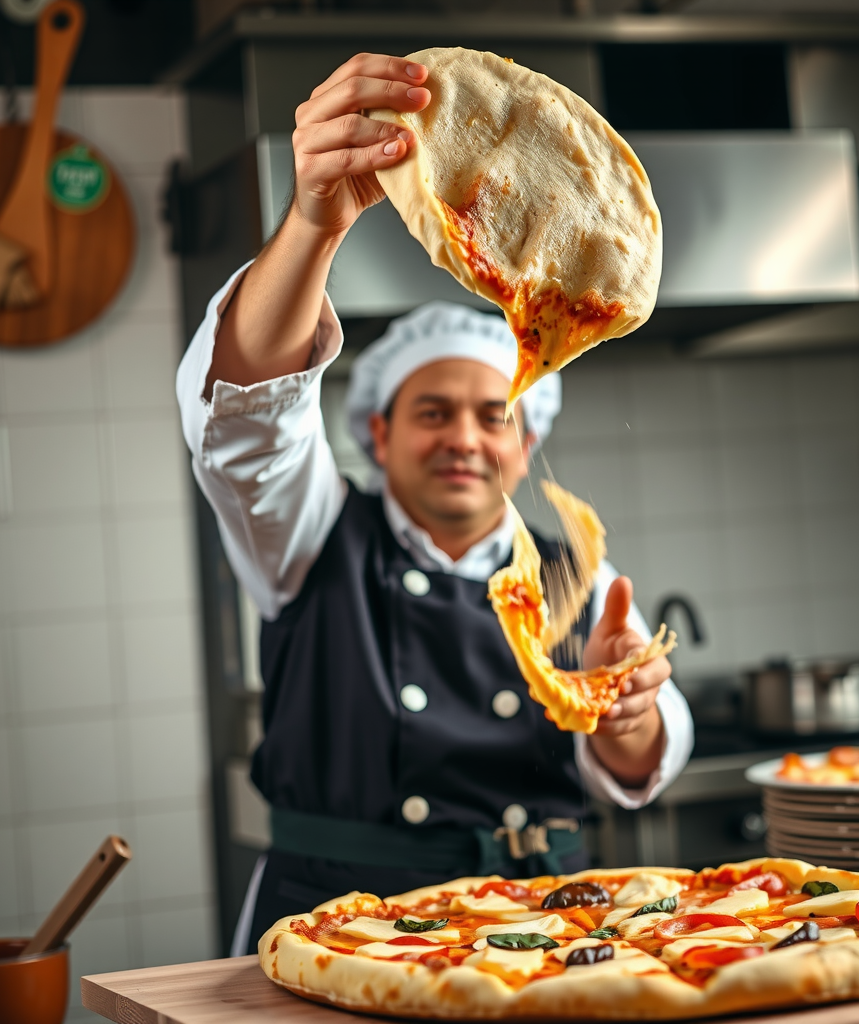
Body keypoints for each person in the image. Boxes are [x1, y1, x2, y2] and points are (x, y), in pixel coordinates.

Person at [177, 52, 693, 956]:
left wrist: (628, 711)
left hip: (542, 929)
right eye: (431, 413)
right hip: (339, 927)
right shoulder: (309, 536)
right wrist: (313, 224)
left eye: (493, 415)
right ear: (376, 435)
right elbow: (250, 416)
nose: (464, 437)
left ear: (524, 444)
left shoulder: (573, 574)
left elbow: (635, 760)